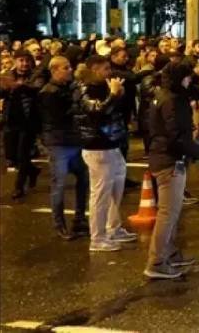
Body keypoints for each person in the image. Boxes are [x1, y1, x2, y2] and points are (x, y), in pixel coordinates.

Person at [143, 60, 199, 279]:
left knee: (171, 211)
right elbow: (176, 135)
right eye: (188, 77)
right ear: (181, 78)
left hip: (163, 156)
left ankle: (169, 252)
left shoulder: (164, 94)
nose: (190, 80)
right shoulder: (172, 100)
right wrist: (198, 153)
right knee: (167, 213)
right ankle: (157, 262)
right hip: (169, 160)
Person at [75, 55, 138, 252]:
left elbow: (114, 112)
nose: (109, 73)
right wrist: (113, 95)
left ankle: (113, 228)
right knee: (101, 193)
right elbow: (96, 113)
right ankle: (98, 238)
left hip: (112, 143)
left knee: (116, 187)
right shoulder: (84, 89)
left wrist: (118, 94)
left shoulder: (102, 87)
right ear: (94, 70)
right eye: (105, 69)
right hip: (97, 146)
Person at [38, 56, 90, 239]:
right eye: (65, 68)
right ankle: (59, 223)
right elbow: (58, 116)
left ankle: (79, 218)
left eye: (70, 67)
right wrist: (75, 100)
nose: (70, 70)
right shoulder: (49, 92)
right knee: (59, 184)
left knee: (83, 178)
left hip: (73, 140)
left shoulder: (67, 88)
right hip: (59, 143)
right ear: (54, 70)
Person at [1, 50, 42, 199]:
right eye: (21, 60)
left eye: (27, 61)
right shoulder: (7, 74)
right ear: (14, 61)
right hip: (10, 120)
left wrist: (17, 86)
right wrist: (5, 87)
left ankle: (19, 187)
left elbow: (36, 89)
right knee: (11, 156)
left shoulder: (36, 74)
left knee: (23, 154)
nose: (24, 64)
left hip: (28, 121)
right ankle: (32, 171)